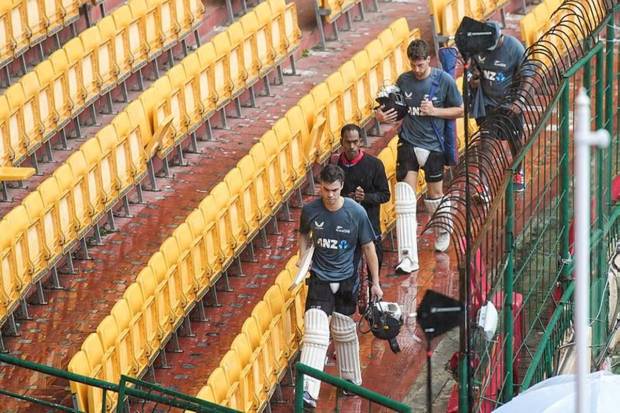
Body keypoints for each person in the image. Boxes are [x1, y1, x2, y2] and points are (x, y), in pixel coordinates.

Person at [297, 164, 383, 409]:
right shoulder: (310, 211)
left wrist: (375, 283)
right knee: (315, 332)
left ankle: (351, 380)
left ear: (341, 187)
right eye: (326, 189)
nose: (330, 195)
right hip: (320, 278)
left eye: (334, 190)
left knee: (344, 331)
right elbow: (304, 235)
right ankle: (307, 391)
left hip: (347, 280)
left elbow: (368, 248)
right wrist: (302, 260)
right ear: (320, 187)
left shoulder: (356, 213)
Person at [376, 39, 464, 272]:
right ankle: (408, 256)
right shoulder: (403, 81)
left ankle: (443, 227)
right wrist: (382, 117)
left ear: (428, 60)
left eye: (421, 65)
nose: (417, 70)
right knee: (405, 197)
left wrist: (435, 111)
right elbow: (395, 109)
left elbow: (461, 109)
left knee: (435, 195)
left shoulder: (443, 80)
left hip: (434, 145)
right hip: (408, 142)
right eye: (413, 65)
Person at [468, 21, 529, 193]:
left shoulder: (515, 48)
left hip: (510, 103)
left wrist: (519, 101)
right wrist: (474, 79)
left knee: (515, 141)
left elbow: (528, 76)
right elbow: (474, 69)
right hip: (488, 103)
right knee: (486, 142)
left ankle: (518, 171)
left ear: (500, 38)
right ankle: (482, 184)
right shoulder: (478, 46)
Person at [336, 124, 390, 272]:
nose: (352, 146)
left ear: (361, 141)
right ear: (341, 142)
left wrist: (365, 197)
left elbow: (385, 195)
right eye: (348, 142)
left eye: (355, 142)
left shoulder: (374, 165)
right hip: (344, 228)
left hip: (370, 225)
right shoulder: (335, 166)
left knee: (374, 268)